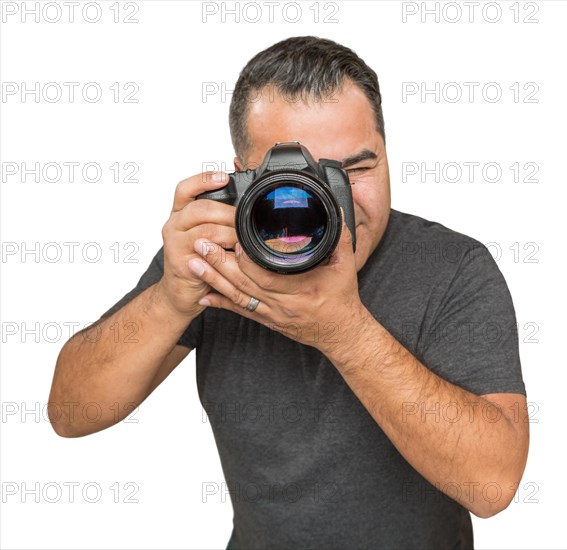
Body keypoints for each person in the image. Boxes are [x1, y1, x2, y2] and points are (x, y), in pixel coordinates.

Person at [48, 36, 529, 549]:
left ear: (389, 156)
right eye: (300, 178)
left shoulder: (450, 267)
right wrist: (170, 299)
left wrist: (344, 332)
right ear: (242, 178)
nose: (333, 201)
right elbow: (72, 413)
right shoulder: (219, 259)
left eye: (357, 169)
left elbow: (493, 484)